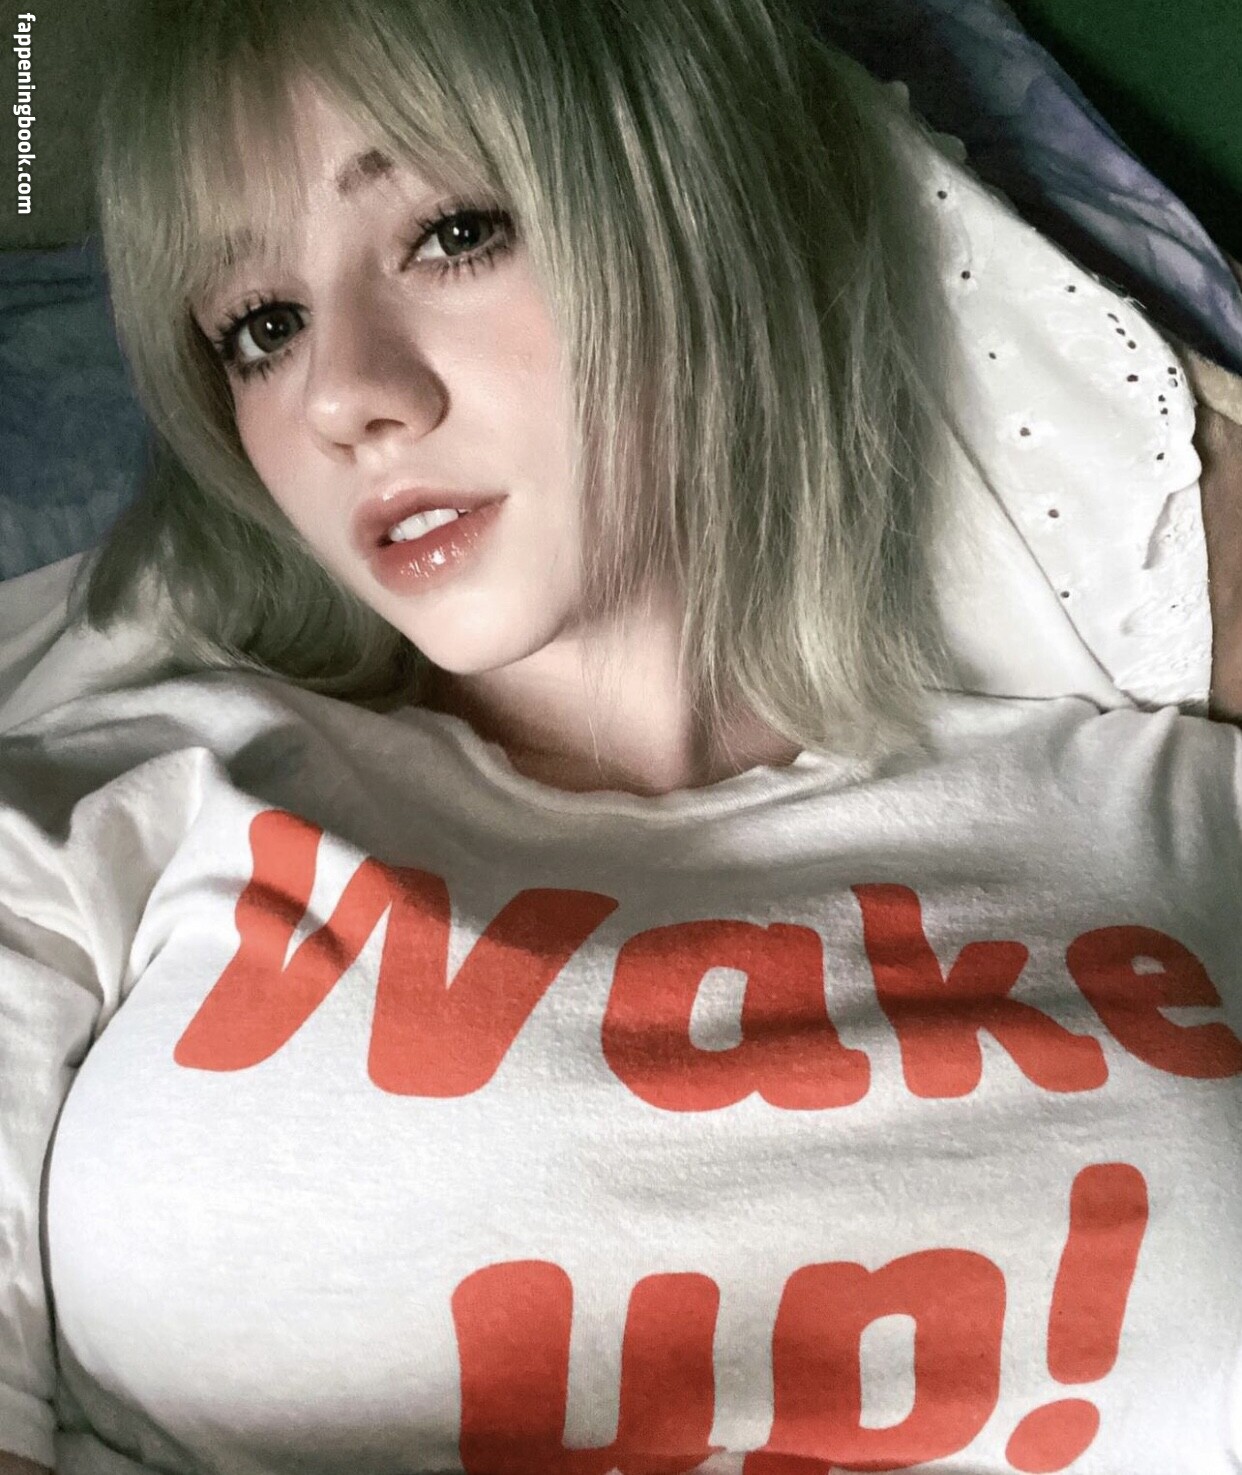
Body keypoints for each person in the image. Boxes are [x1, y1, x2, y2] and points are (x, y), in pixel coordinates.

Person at [1, 0, 1240, 1471]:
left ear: (697, 204)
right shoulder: (113, 809)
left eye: (452, 233)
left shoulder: (1177, 812)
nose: (341, 398)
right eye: (261, 328)